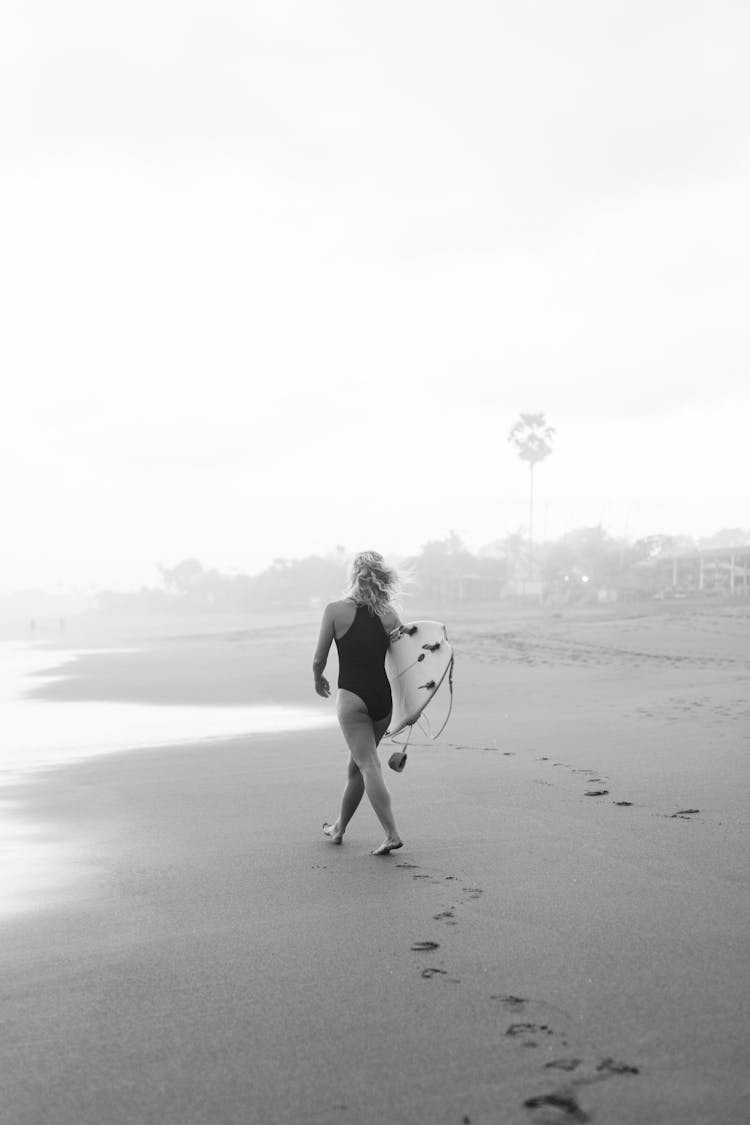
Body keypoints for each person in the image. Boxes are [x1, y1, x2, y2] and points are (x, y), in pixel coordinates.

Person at [313, 551, 404, 855]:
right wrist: (411, 706)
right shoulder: (389, 614)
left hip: (352, 698)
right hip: (382, 700)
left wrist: (318, 678)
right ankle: (339, 828)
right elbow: (406, 662)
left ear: (354, 575)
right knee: (357, 767)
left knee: (368, 764)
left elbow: (319, 658)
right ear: (381, 578)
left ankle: (391, 833)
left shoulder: (335, 611)